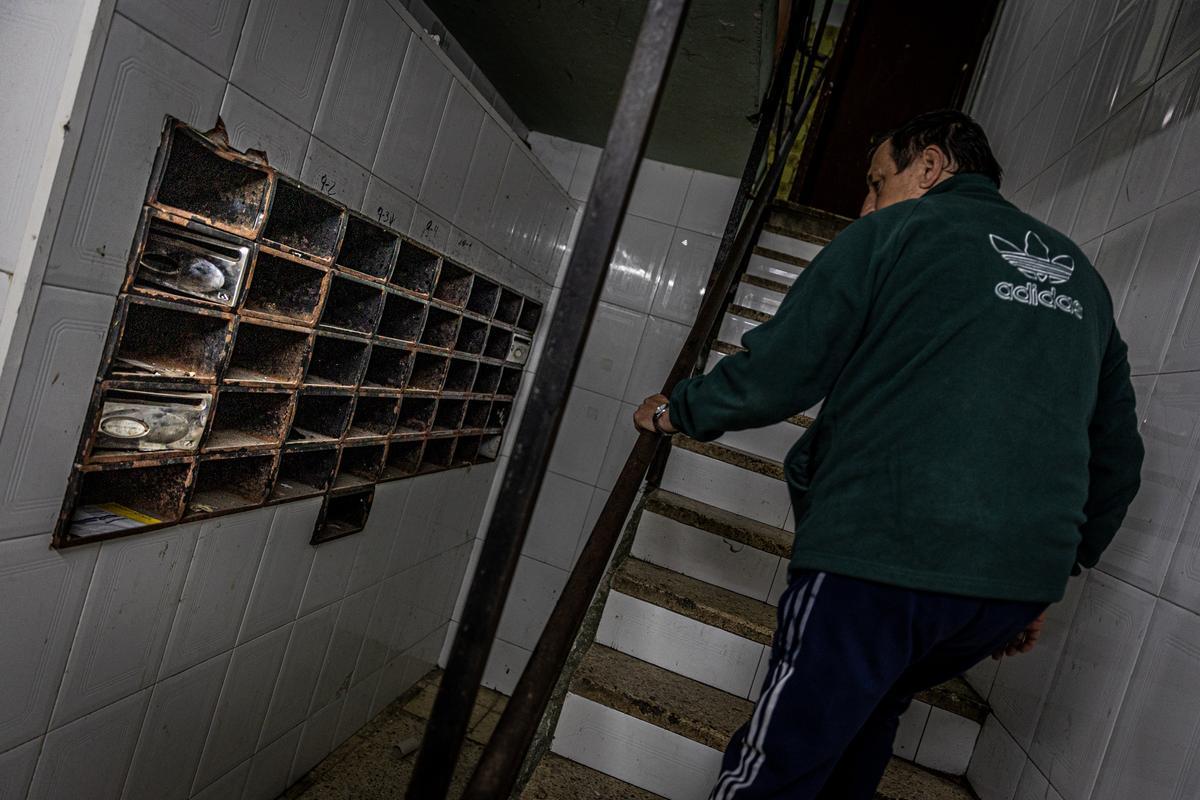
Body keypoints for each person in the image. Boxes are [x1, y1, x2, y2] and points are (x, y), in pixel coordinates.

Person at [633, 109, 1143, 799]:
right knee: (869, 720)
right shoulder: (1080, 278)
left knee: (779, 764)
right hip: (1005, 591)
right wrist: (1042, 569)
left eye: (876, 183)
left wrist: (677, 410)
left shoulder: (897, 231)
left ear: (930, 167)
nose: (864, 205)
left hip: (881, 559)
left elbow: (779, 371)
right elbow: (1117, 456)